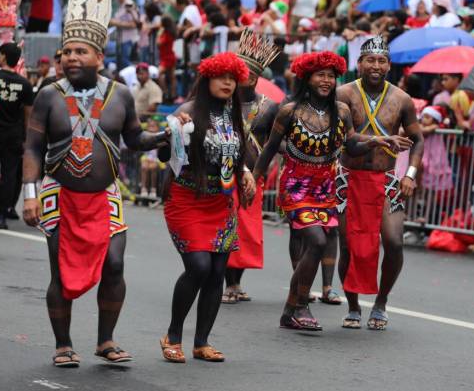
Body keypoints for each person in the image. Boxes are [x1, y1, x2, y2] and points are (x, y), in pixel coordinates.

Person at [22, 0, 170, 367]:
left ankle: (106, 340)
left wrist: (165, 137)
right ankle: (63, 344)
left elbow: (133, 140)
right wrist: (29, 195)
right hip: (60, 194)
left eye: (81, 51)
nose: (72, 57)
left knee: (115, 264)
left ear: (99, 57)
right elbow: (33, 148)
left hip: (105, 196)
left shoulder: (119, 94)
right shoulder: (48, 96)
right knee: (61, 269)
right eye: (67, 51)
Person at [252, 51, 393, 331]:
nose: (327, 81)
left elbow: (351, 145)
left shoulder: (340, 111)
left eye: (331, 76)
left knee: (317, 244)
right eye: (320, 75)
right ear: (307, 78)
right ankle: (300, 306)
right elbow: (269, 148)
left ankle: (290, 311)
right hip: (295, 187)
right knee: (316, 241)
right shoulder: (289, 111)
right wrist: (253, 179)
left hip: (325, 189)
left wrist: (377, 141)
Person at [159, 52, 256, 363]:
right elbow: (165, 156)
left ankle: (202, 342)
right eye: (220, 77)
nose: (227, 83)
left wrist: (244, 172)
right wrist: (174, 132)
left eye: (232, 78)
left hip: (220, 201)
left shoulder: (233, 113)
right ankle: (173, 335)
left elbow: (237, 152)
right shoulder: (188, 111)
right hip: (186, 199)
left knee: (216, 272)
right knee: (199, 267)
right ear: (207, 80)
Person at [336, 36, 423, 331]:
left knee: (395, 243)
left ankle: (381, 303)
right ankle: (352, 306)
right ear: (359, 63)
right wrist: (377, 139)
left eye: (381, 60)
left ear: (388, 65)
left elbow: (418, 139)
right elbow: (346, 141)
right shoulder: (344, 94)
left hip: (386, 180)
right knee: (349, 246)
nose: (376, 65)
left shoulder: (402, 99)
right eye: (370, 60)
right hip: (348, 178)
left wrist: (410, 173)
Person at [223, 30, 280, 304]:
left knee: (246, 232)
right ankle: (228, 283)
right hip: (222, 175)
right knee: (225, 228)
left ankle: (237, 281)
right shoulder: (221, 101)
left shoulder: (269, 108)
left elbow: (276, 142)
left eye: (249, 72)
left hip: (252, 176)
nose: (244, 76)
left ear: (257, 76)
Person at [0, 42, 34, 230]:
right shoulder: (25, 84)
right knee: (9, 175)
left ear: (4, 56)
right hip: (13, 135)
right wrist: (27, 138)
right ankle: (1, 215)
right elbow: (28, 116)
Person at [108, 0, 141, 69]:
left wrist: (116, 23)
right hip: (121, 39)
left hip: (128, 39)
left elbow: (135, 24)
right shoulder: (121, 5)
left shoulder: (129, 4)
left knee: (125, 63)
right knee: (119, 62)